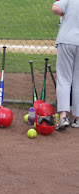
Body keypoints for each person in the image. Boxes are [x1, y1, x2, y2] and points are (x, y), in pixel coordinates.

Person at [52, 0, 79, 130]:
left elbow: (56, 8)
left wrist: (64, 13)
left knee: (64, 79)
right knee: (78, 80)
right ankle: (77, 119)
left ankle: (63, 116)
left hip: (67, 40)